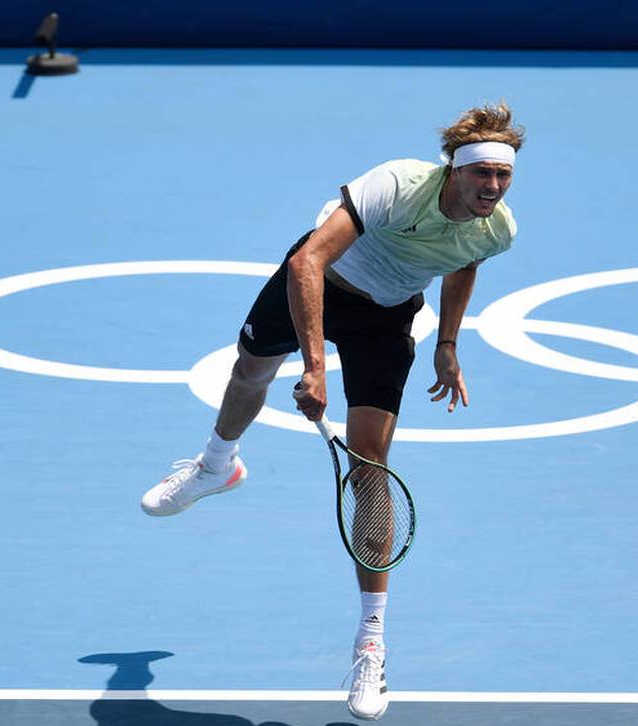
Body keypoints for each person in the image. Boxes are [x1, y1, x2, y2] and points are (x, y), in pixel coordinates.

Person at [140, 101, 524, 721]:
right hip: (321, 281)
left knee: (370, 463)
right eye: (482, 173)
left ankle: (371, 641)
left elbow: (462, 267)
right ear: (454, 170)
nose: (493, 186)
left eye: (503, 176)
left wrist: (448, 344)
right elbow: (308, 262)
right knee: (252, 369)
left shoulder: (497, 227)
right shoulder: (398, 185)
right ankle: (217, 465)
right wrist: (316, 367)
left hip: (388, 316)